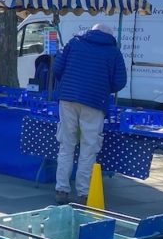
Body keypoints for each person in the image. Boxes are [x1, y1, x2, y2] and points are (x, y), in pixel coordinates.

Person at [52, 23, 127, 204]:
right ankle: (83, 193)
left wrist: (69, 83)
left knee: (66, 145)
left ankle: (61, 189)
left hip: (68, 98)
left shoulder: (74, 43)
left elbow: (57, 68)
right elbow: (120, 81)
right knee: (89, 147)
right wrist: (103, 87)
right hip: (95, 101)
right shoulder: (113, 51)